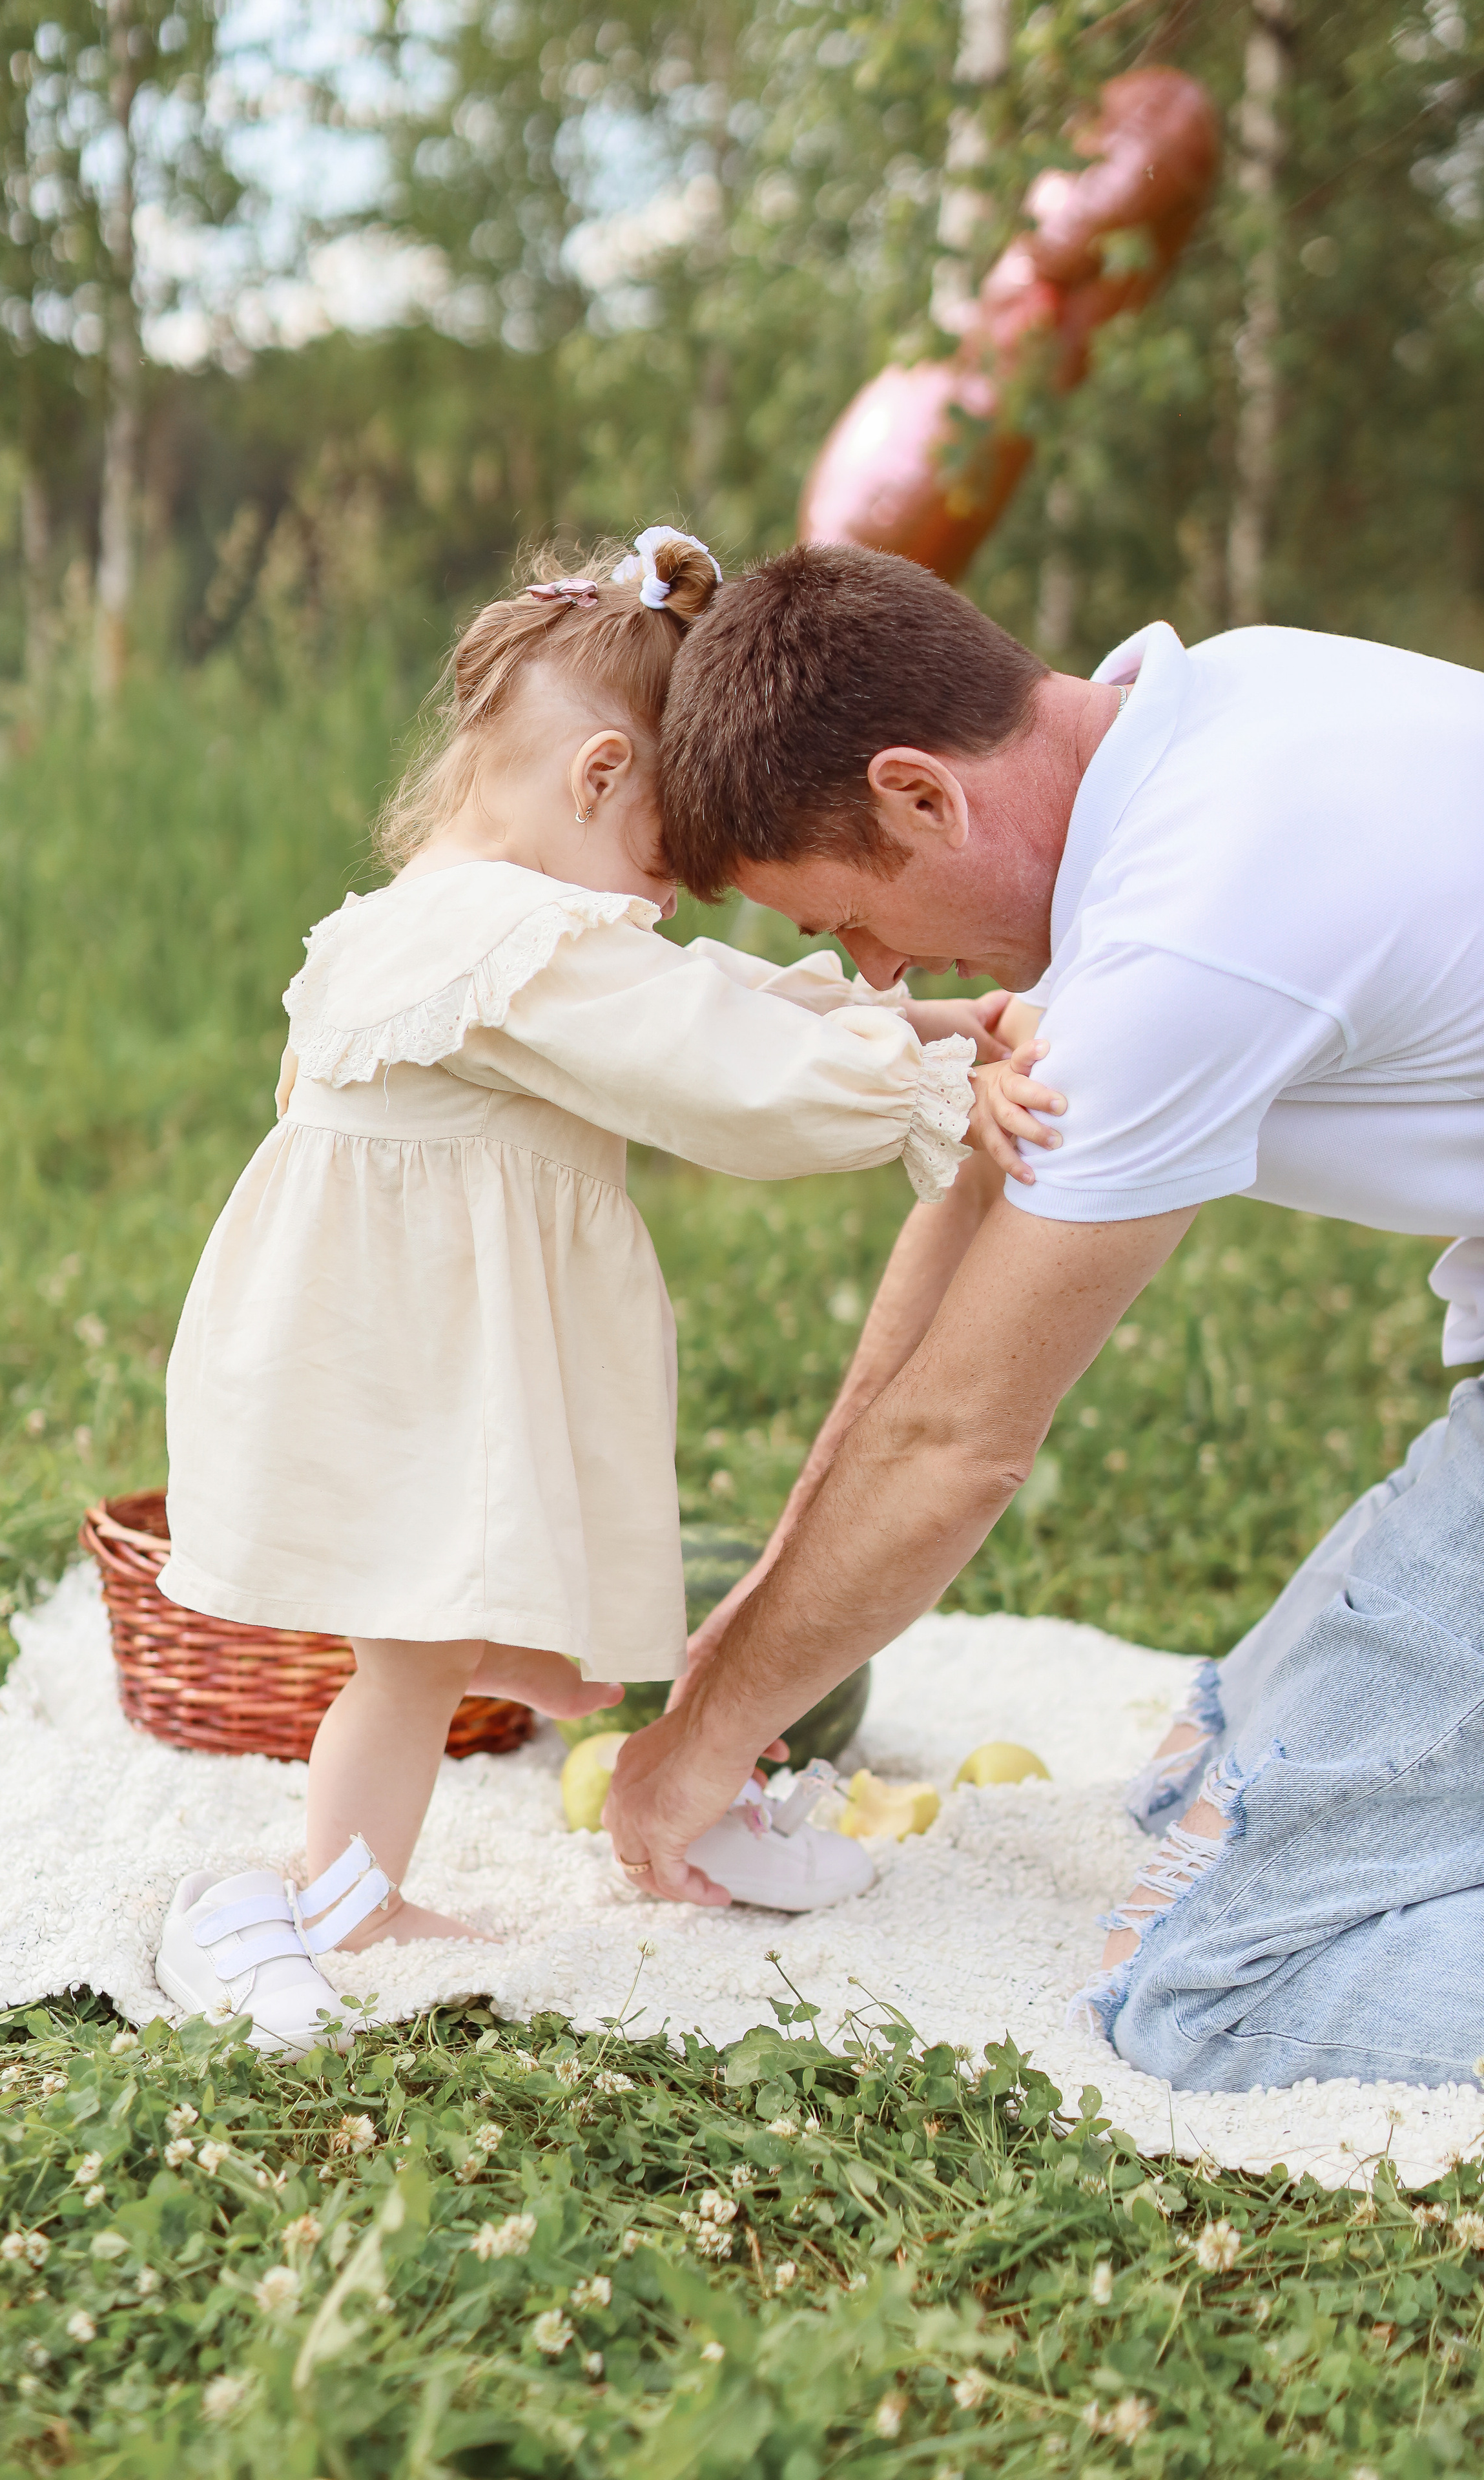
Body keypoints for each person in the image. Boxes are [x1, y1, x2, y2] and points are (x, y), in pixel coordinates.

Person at [150, 528, 1056, 2053]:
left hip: (412, 1339)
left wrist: (926, 1030)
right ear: (594, 780)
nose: (663, 909)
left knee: (440, 1642)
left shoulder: (440, 926)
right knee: (405, 1655)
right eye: (660, 868)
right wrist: (917, 1094)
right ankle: (332, 1895)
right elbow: (702, 1062)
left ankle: (426, 1808)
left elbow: (695, 999)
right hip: (411, 1347)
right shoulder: (519, 946)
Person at [603, 540, 1484, 2095]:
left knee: (1204, 1990)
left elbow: (958, 1440)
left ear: (918, 796)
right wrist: (753, 1646)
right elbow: (945, 1273)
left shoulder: (1182, 943)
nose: (876, 975)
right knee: (1187, 1791)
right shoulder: (1219, 706)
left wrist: (700, 1745)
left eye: (840, 926)